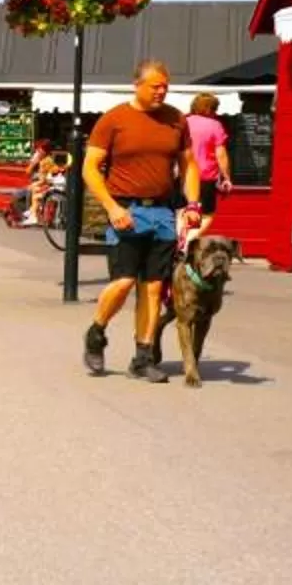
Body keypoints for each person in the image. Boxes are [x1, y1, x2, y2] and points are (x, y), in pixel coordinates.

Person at [81, 60, 199, 379]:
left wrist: (193, 204)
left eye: (165, 86)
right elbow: (90, 167)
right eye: (155, 86)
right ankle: (96, 334)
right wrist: (111, 207)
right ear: (137, 85)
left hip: (162, 212)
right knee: (123, 281)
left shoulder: (176, 120)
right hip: (126, 210)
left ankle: (143, 357)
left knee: (153, 287)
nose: (162, 91)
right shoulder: (114, 120)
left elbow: (188, 165)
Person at [183, 92, 233, 237]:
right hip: (205, 177)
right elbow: (221, 154)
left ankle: (180, 241)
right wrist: (226, 177)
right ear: (211, 109)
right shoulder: (215, 125)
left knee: (181, 212)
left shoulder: (183, 122)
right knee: (207, 214)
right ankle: (188, 240)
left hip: (181, 175)